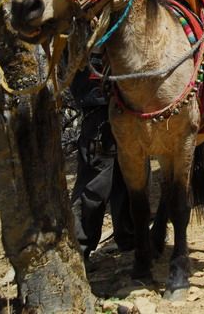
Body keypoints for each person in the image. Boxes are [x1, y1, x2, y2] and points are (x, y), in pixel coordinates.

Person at [70, 60, 134, 259]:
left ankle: (131, 241)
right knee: (95, 183)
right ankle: (78, 249)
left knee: (131, 178)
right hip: (101, 108)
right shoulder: (83, 33)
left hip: (130, 106)